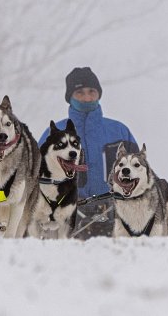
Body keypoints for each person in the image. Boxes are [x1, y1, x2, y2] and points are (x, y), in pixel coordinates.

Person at [39, 66, 137, 237]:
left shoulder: (119, 132)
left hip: (116, 218)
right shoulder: (53, 134)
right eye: (80, 92)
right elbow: (35, 179)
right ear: (70, 97)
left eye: (91, 91)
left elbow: (142, 176)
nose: (86, 97)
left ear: (99, 94)